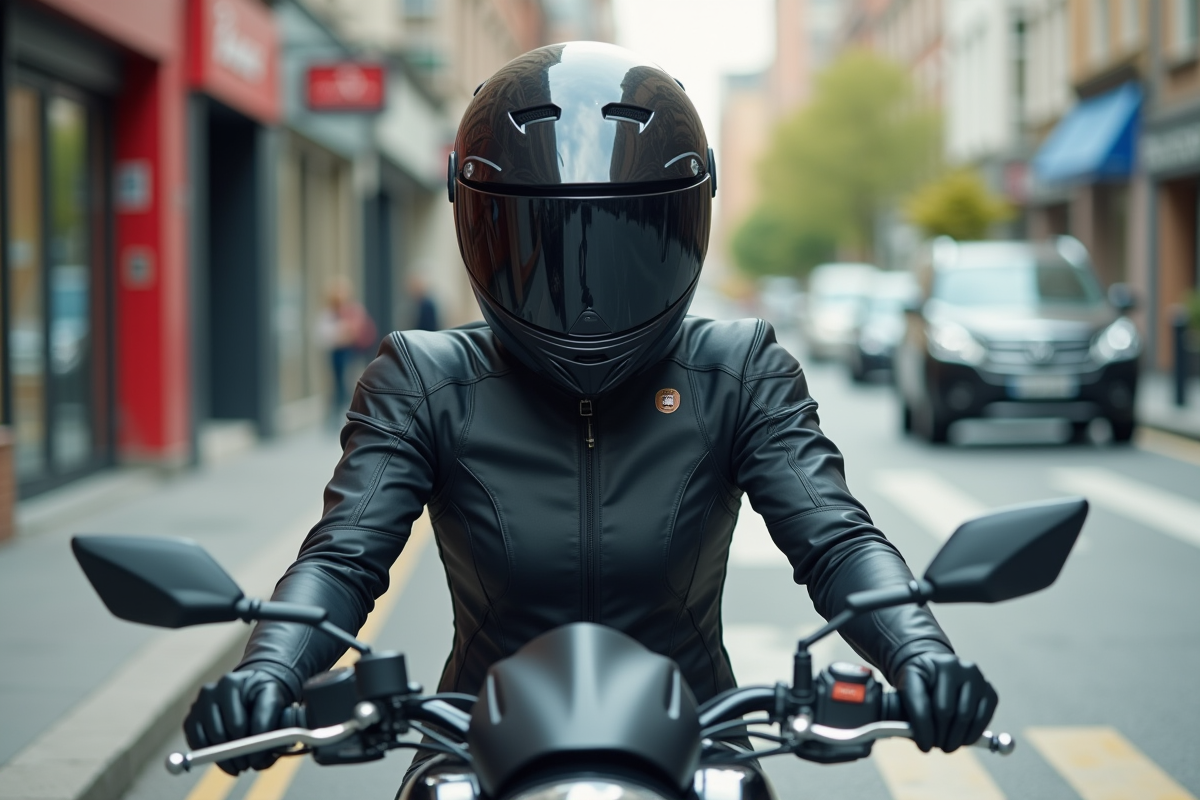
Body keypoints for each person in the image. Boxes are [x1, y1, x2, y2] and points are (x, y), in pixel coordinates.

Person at [185, 42, 997, 779]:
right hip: (475, 749)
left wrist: (919, 652)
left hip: (698, 746)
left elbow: (835, 538)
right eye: (544, 241)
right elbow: (344, 558)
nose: (583, 286)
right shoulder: (423, 378)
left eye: (622, 237)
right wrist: (271, 670)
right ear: (475, 220)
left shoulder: (739, 368)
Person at [316, 277, 377, 419]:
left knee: (350, 383)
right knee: (336, 384)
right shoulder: (328, 313)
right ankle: (336, 413)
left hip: (351, 353)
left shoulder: (353, 310)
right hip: (335, 354)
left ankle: (350, 412)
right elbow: (323, 335)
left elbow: (356, 331)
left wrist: (344, 333)